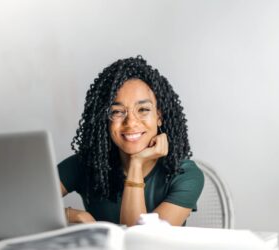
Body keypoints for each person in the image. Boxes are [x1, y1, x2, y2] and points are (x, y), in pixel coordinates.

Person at [58, 56, 204, 226]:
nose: (131, 123)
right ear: (104, 119)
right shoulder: (86, 164)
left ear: (159, 116)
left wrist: (136, 163)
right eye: (117, 112)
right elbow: (24, 207)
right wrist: (72, 215)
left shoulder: (185, 175)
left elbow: (140, 243)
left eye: (143, 109)